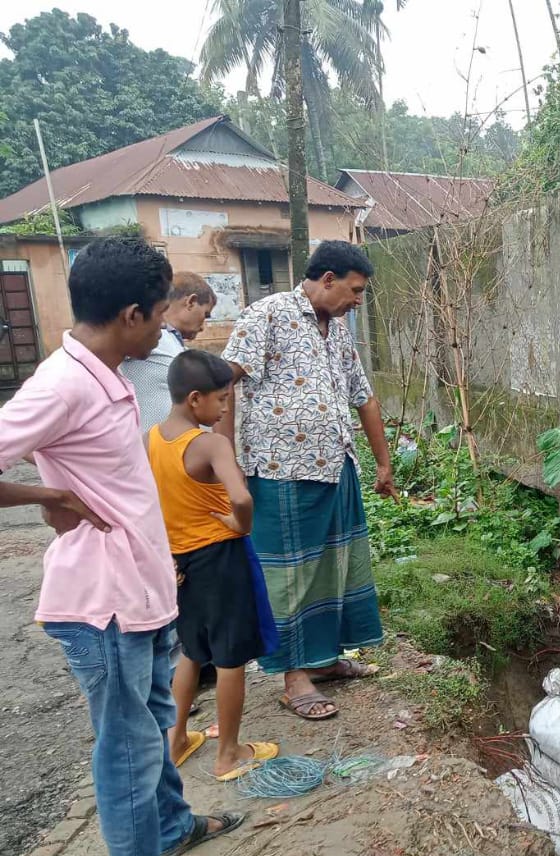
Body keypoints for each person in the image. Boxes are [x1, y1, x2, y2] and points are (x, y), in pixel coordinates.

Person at [0, 237, 242, 856]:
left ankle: (171, 828)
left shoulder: (104, 375)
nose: (167, 327)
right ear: (133, 313)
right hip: (100, 603)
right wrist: (48, 498)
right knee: (129, 745)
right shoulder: (63, 383)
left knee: (154, 721)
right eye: (162, 314)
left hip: (137, 590)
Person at [219, 240, 397, 721]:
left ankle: (323, 660)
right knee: (290, 577)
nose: (358, 300)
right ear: (327, 279)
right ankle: (293, 676)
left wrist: (382, 463)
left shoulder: (337, 331)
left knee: (335, 566)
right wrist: (227, 460)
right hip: (280, 471)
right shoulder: (267, 316)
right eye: (355, 290)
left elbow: (365, 398)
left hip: (335, 466)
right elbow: (223, 381)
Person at [149, 349, 281, 781]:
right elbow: (241, 497)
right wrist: (241, 524)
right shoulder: (210, 443)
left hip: (182, 561)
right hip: (223, 558)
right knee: (230, 657)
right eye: (221, 400)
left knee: (191, 651)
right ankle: (229, 752)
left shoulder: (152, 439)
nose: (226, 409)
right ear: (194, 399)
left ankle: (178, 739)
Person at [121, 272, 218, 433]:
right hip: (152, 448)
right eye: (204, 315)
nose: (202, 327)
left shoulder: (172, 343)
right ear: (191, 302)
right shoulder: (144, 337)